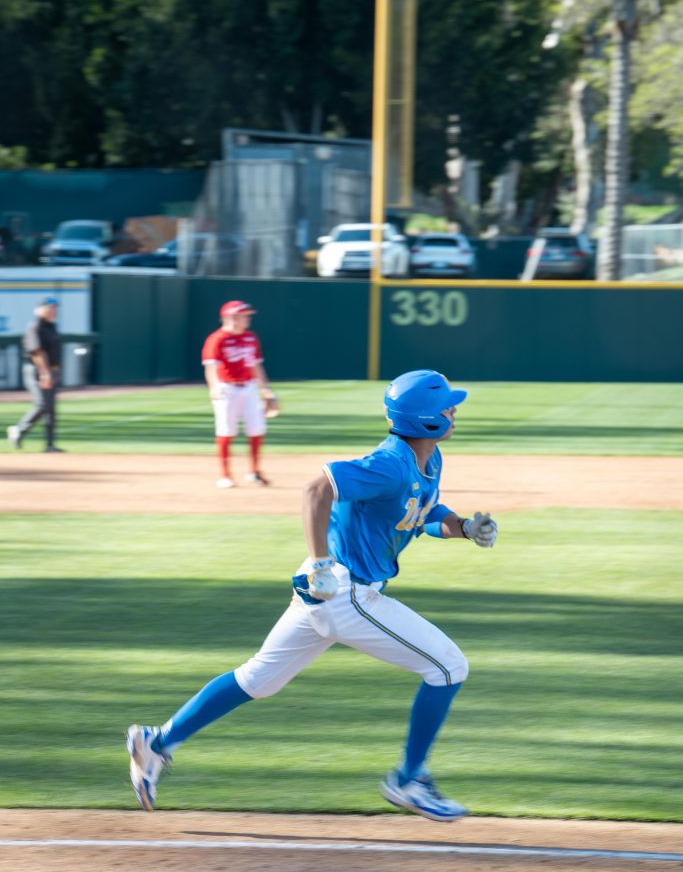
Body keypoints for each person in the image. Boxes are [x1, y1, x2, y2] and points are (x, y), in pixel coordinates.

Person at [126, 369, 498, 821]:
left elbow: (418, 511)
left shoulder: (428, 460)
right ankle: (408, 780)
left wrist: (462, 527)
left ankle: (157, 742)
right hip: (346, 592)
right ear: (424, 419)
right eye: (446, 406)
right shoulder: (390, 464)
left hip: (329, 591)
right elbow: (317, 488)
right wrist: (321, 560)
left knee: (259, 679)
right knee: (448, 667)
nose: (453, 411)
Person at [201, 299, 278, 488]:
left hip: (249, 387)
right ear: (231, 317)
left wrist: (266, 390)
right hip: (227, 389)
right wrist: (214, 387)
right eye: (244, 316)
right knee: (226, 430)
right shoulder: (217, 339)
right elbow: (211, 367)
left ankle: (254, 472)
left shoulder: (251, 337)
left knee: (257, 429)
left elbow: (256, 365)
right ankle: (225, 475)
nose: (247, 319)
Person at [7, 297, 64, 452]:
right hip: (35, 370)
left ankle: (50, 444)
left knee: (50, 408)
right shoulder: (35, 326)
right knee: (42, 405)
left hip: (51, 370)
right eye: (50, 307)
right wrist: (45, 373)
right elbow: (37, 352)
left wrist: (55, 371)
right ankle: (19, 430)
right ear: (40, 309)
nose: (53, 310)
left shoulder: (52, 326)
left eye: (55, 308)